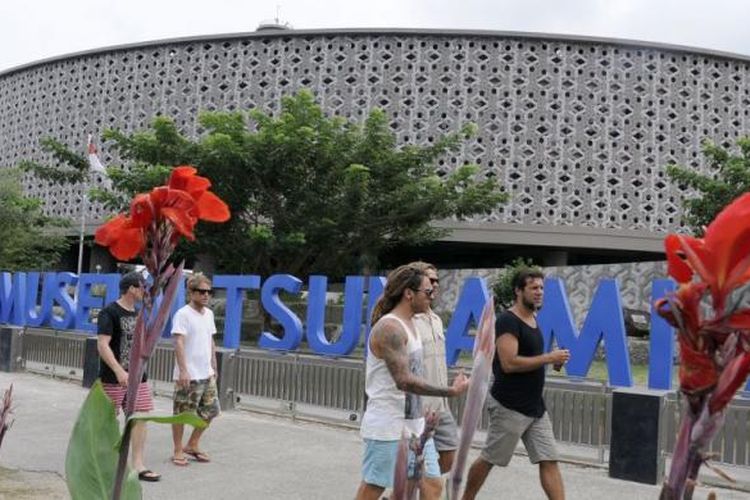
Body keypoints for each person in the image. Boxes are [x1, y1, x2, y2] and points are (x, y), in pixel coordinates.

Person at [355, 264, 470, 500]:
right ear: (409, 294)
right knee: (373, 487)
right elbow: (404, 381)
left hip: (416, 428)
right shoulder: (390, 328)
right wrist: (451, 391)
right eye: (427, 292)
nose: (432, 296)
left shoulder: (413, 324)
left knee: (433, 485)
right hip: (388, 427)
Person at [462, 268, 570, 500]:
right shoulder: (507, 321)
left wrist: (554, 362)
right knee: (490, 459)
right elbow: (509, 363)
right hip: (510, 405)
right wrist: (548, 358)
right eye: (533, 288)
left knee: (549, 459)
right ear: (518, 291)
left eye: (541, 288)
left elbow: (532, 359)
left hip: (535, 408)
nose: (539, 292)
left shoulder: (532, 318)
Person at [97, 271, 161, 482]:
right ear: (132, 289)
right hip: (113, 377)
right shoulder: (110, 312)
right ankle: (103, 462)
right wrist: (117, 370)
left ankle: (138, 464)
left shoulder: (140, 313)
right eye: (142, 287)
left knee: (140, 416)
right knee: (107, 419)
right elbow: (102, 344)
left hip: (138, 377)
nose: (145, 291)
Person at [410, 261, 459, 475]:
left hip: (441, 405)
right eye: (430, 280)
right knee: (418, 464)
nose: (435, 285)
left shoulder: (437, 319)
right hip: (419, 406)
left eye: (437, 280)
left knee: (448, 459)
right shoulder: (408, 320)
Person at [170, 273, 221, 466]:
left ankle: (192, 444)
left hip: (206, 373)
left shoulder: (209, 314)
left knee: (211, 411)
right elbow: (179, 342)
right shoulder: (183, 314)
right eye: (201, 291)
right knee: (182, 413)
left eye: (209, 292)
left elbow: (210, 340)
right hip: (189, 375)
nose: (206, 295)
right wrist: (183, 370)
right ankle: (177, 450)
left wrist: (213, 364)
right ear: (191, 292)